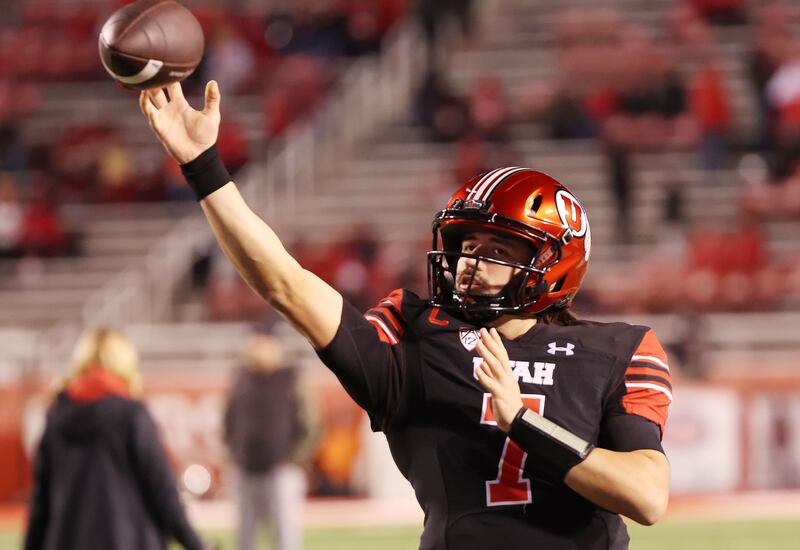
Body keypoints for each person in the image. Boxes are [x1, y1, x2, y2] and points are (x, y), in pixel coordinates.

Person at [139, 80, 672, 549]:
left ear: (554, 264)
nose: (470, 263)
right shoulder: (417, 335)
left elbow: (646, 496)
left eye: (499, 251)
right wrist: (203, 167)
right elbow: (286, 284)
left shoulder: (616, 350)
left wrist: (524, 423)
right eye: (468, 245)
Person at [24, 328, 203, 550]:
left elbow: (41, 504)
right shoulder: (131, 415)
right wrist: (197, 546)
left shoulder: (56, 417)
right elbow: (162, 493)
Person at [224, 320, 318, 550]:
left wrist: (295, 458)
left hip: (281, 469)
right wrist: (233, 453)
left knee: (284, 536)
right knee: (245, 538)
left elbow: (310, 423)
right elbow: (228, 420)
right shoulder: (241, 376)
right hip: (246, 467)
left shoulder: (290, 376)